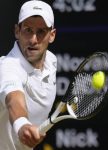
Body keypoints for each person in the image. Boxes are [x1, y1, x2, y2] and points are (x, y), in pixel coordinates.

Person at [0, 0, 57, 149]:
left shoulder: (51, 61)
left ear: (52, 35)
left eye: (41, 32)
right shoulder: (8, 67)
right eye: (28, 30)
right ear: (17, 31)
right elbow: (13, 100)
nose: (33, 40)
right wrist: (22, 125)